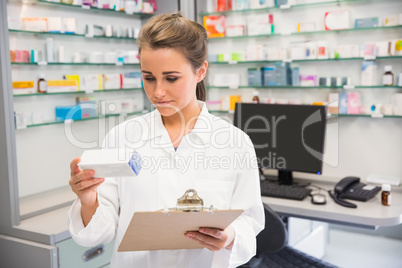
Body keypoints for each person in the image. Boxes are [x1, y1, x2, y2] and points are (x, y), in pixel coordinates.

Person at [68, 12, 264, 268]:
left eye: (171, 78)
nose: (158, 92)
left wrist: (229, 237)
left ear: (200, 71)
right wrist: (88, 199)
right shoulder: (122, 137)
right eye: (149, 78)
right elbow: (98, 233)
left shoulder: (235, 142)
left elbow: (250, 221)